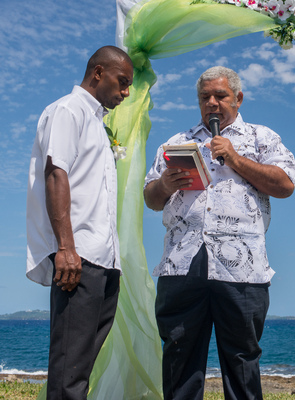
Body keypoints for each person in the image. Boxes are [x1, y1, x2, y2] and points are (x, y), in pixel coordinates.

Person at [144, 66, 295, 400]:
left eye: (220, 96)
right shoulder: (176, 143)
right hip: (182, 264)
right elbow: (151, 199)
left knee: (241, 359)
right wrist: (164, 184)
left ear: (238, 98)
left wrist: (235, 158)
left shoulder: (262, 138)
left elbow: (285, 184)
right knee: (179, 357)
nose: (212, 103)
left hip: (241, 267)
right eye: (204, 97)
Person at [26, 45, 133, 399]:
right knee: (68, 369)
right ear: (98, 73)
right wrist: (66, 249)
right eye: (122, 82)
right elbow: (56, 174)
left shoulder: (98, 124)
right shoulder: (68, 111)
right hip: (80, 257)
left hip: (105, 259)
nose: (126, 92)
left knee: (81, 366)